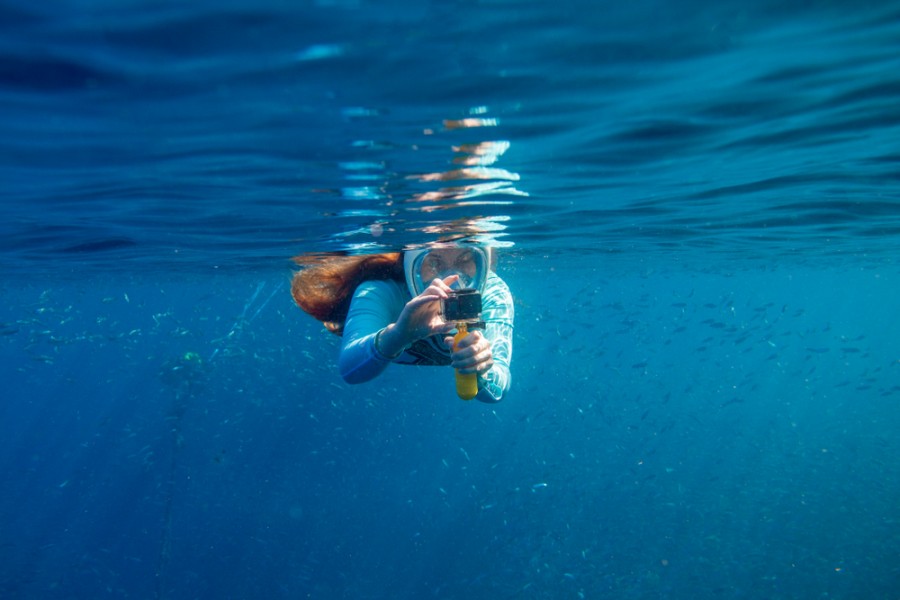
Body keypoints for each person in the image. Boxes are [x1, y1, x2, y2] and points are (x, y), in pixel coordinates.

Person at [290, 244, 513, 402]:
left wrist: (483, 372)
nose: (452, 278)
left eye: (466, 259)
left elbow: (497, 388)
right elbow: (350, 369)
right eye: (433, 262)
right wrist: (399, 335)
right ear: (410, 267)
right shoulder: (383, 290)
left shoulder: (492, 293)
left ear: (485, 265)